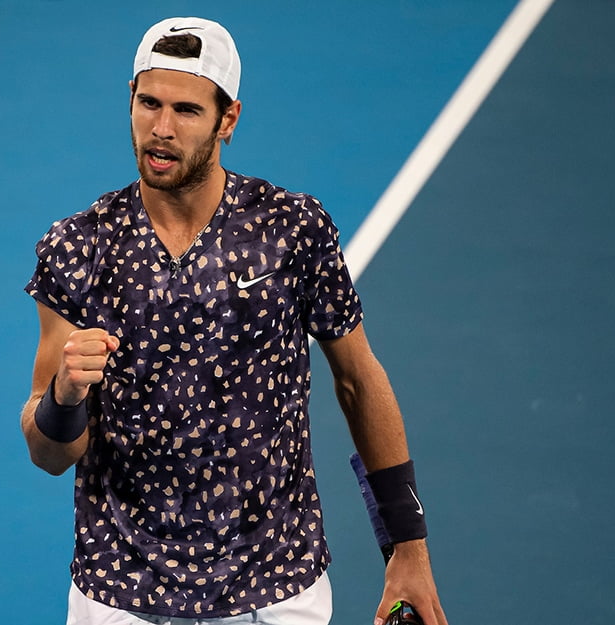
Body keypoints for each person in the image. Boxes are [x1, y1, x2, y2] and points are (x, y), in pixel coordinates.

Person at [22, 17, 447, 625]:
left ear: (229, 120)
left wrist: (407, 548)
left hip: (277, 591)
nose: (161, 130)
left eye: (187, 111)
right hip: (120, 597)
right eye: (148, 103)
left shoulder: (292, 230)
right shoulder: (77, 247)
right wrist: (65, 396)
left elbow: (357, 379)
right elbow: (49, 453)